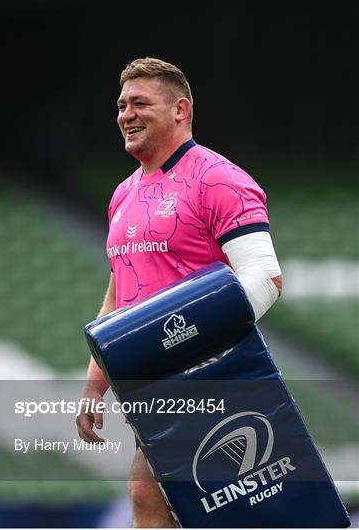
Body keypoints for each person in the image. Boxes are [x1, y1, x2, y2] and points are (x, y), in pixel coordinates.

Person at [77, 57, 283, 528]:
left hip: (211, 379)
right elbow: (117, 300)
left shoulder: (219, 178)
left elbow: (266, 277)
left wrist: (185, 344)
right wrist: (95, 386)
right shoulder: (122, 195)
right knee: (151, 497)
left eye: (140, 103)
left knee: (157, 493)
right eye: (122, 104)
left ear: (180, 109)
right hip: (150, 387)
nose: (126, 114)